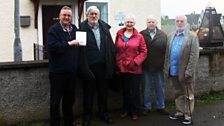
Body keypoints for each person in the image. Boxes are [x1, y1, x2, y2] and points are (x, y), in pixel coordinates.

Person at [79, 6, 115, 126]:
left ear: (98, 15)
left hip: (103, 67)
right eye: (91, 14)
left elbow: (111, 47)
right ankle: (87, 116)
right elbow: (80, 51)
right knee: (88, 94)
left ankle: (103, 113)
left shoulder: (105, 28)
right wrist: (83, 68)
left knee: (103, 93)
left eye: (96, 14)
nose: (94, 16)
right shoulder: (82, 29)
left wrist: (112, 64)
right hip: (89, 68)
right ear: (87, 15)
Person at [47, 6, 80, 126]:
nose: (66, 17)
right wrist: (69, 43)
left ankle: (69, 122)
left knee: (69, 99)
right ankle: (55, 123)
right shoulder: (53, 30)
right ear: (59, 16)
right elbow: (52, 48)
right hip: (57, 72)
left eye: (69, 15)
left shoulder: (75, 29)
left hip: (71, 71)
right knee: (55, 101)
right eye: (64, 15)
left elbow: (80, 44)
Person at [164, 15, 199, 125]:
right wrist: (167, 69)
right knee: (178, 93)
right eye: (177, 21)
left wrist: (189, 71)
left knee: (188, 94)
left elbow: (194, 56)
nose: (179, 23)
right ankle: (180, 112)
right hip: (173, 70)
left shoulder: (192, 37)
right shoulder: (170, 36)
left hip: (185, 72)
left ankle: (188, 115)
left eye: (182, 21)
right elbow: (167, 54)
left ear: (186, 22)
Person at [115, 14, 147, 121]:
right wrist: (117, 63)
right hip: (122, 68)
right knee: (125, 90)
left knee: (135, 91)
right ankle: (126, 110)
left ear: (134, 24)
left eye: (131, 22)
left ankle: (135, 111)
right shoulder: (119, 34)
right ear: (125, 23)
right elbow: (116, 49)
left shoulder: (139, 36)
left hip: (134, 68)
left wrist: (135, 62)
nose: (129, 24)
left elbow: (144, 52)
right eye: (127, 22)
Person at [140, 15, 169, 115]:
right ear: (146, 23)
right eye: (149, 22)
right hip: (146, 66)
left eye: (153, 22)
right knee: (146, 88)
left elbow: (167, 51)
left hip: (159, 67)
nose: (151, 24)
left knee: (160, 88)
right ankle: (146, 107)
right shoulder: (141, 34)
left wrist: (165, 65)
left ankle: (161, 106)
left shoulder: (163, 35)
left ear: (156, 23)